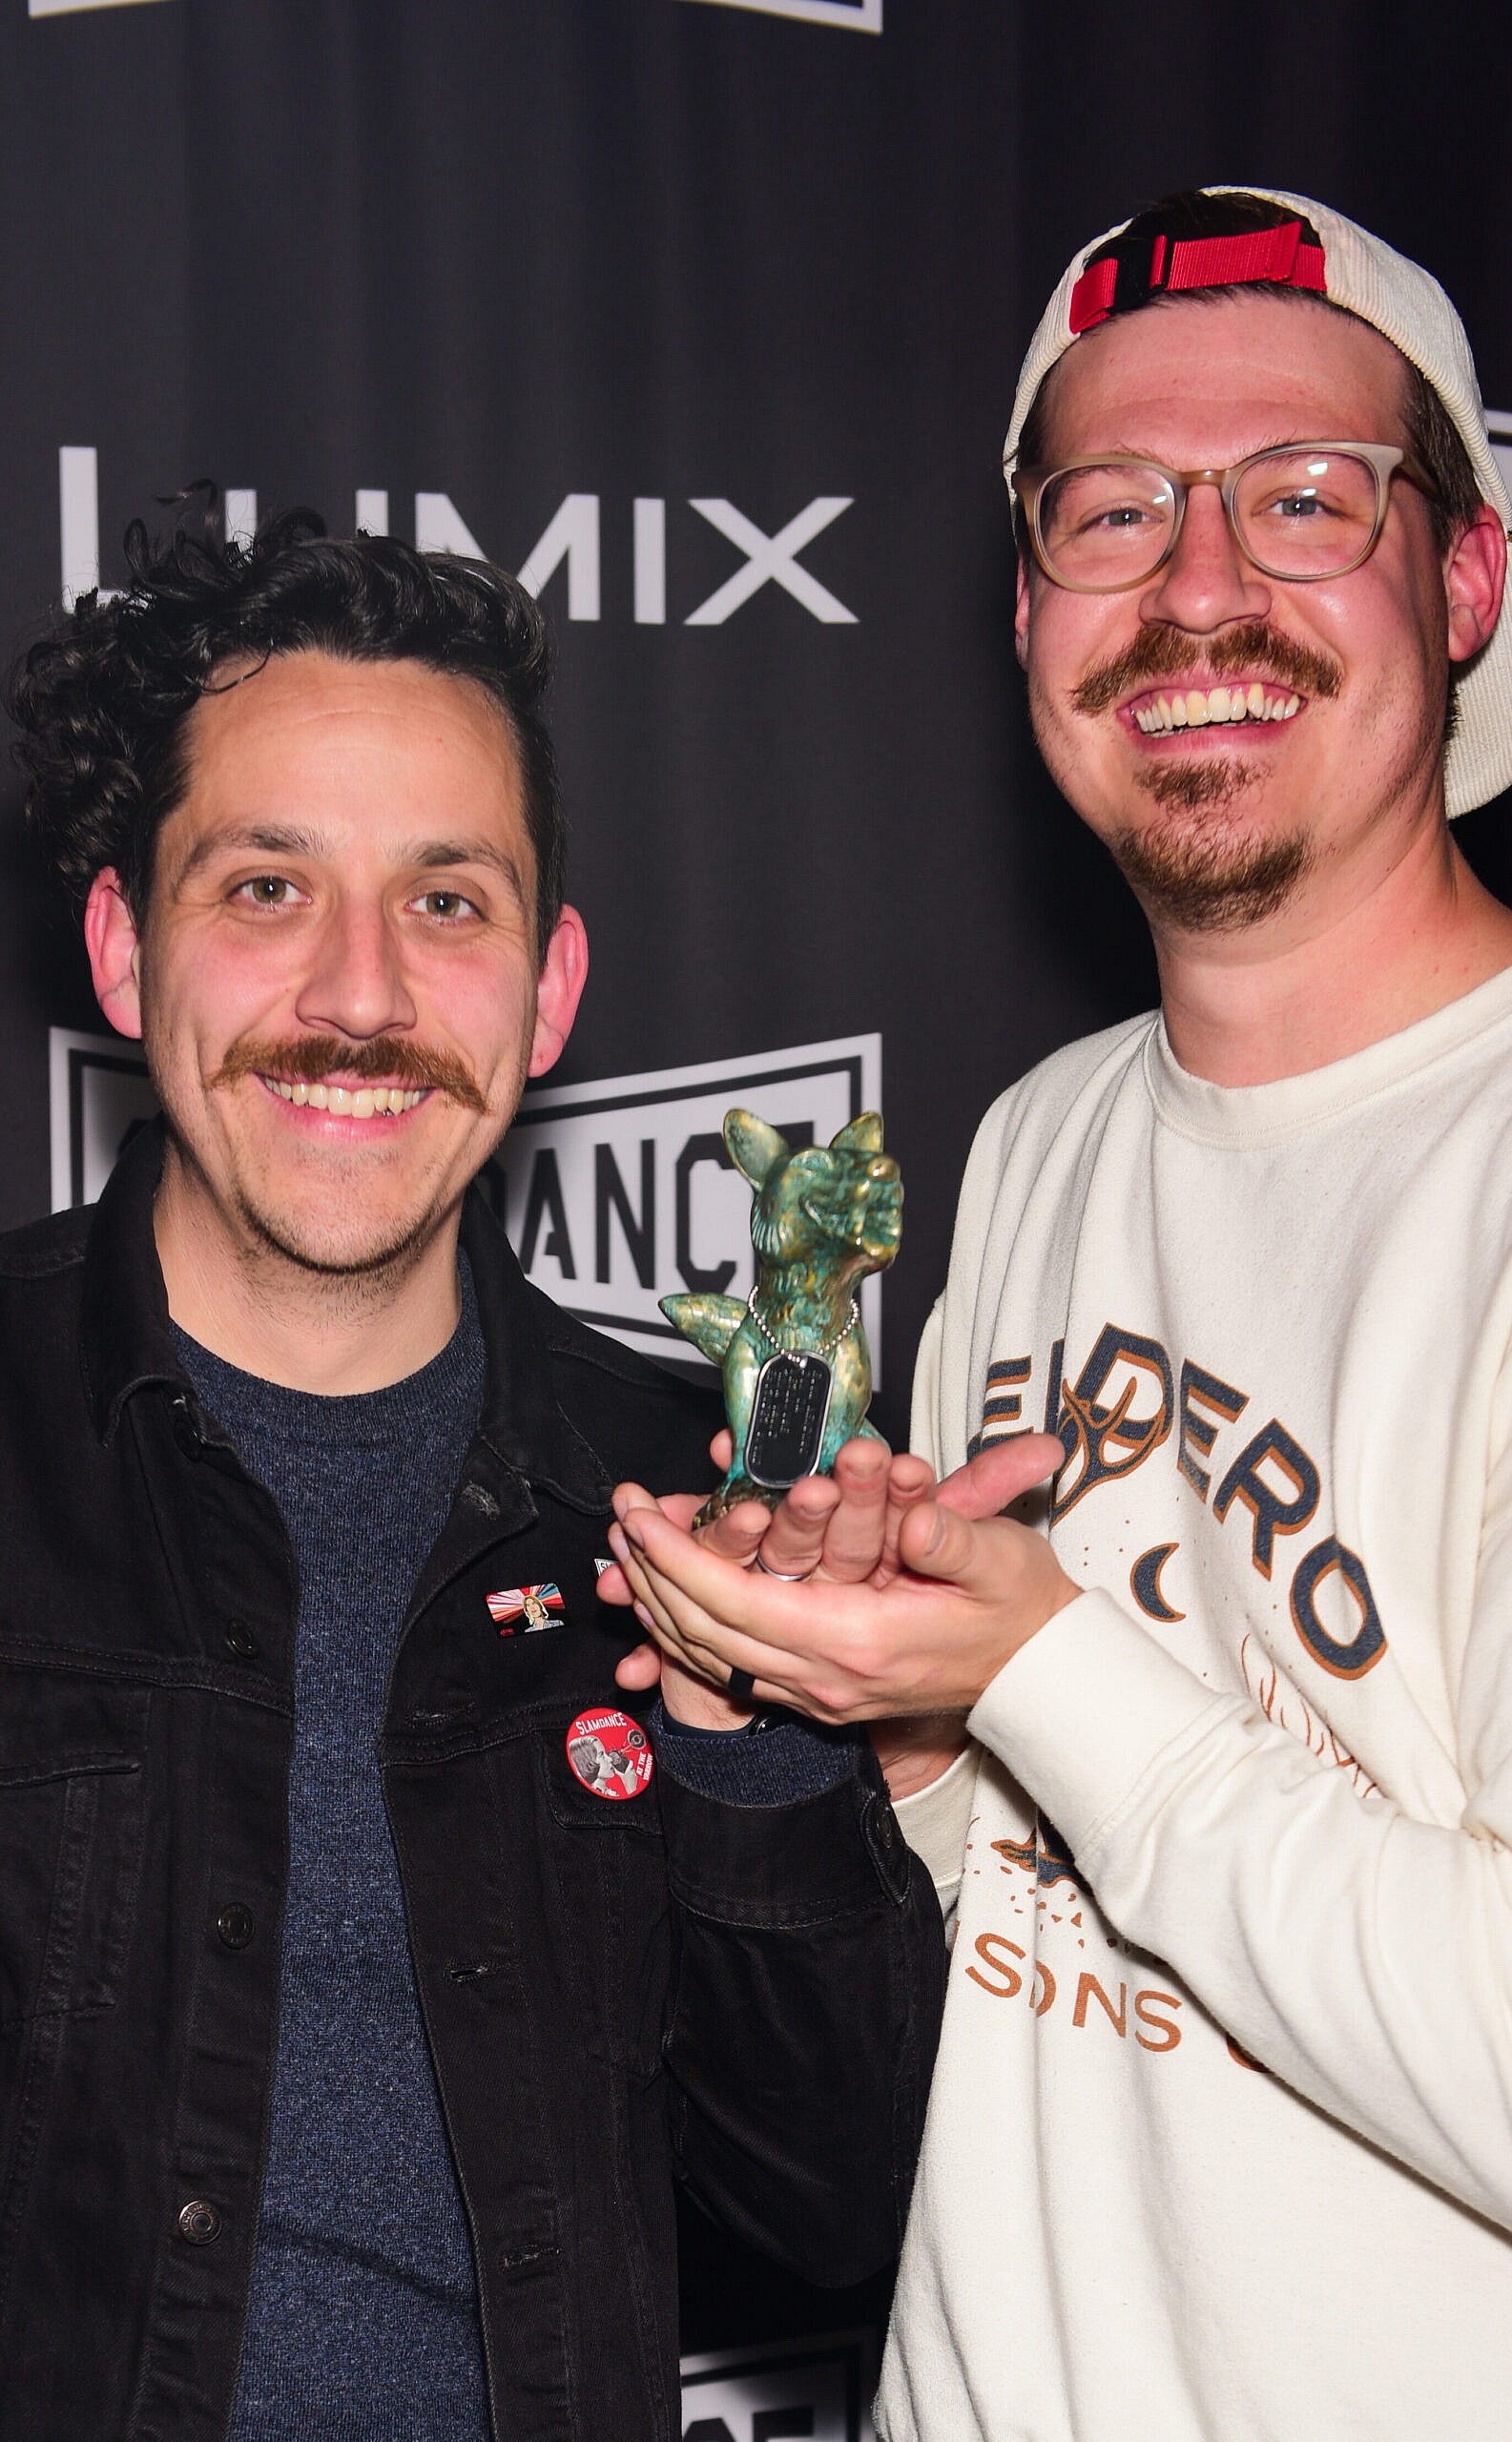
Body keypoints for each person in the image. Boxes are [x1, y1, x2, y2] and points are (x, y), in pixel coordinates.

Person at [600, 189, 1512, 2437]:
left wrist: (1034, 1658)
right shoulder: (1046, 1134)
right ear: (1023, 609)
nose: (1195, 586)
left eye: (1301, 496)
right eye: (1111, 510)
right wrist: (896, 1715)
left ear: (1465, 580)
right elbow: (1037, 1907)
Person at [0, 506, 943, 2442]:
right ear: (124, 948)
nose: (359, 994)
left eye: (446, 902)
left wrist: (745, 1722)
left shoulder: (683, 1500)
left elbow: (835, 2214)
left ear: (548, 986)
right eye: (267, 886)